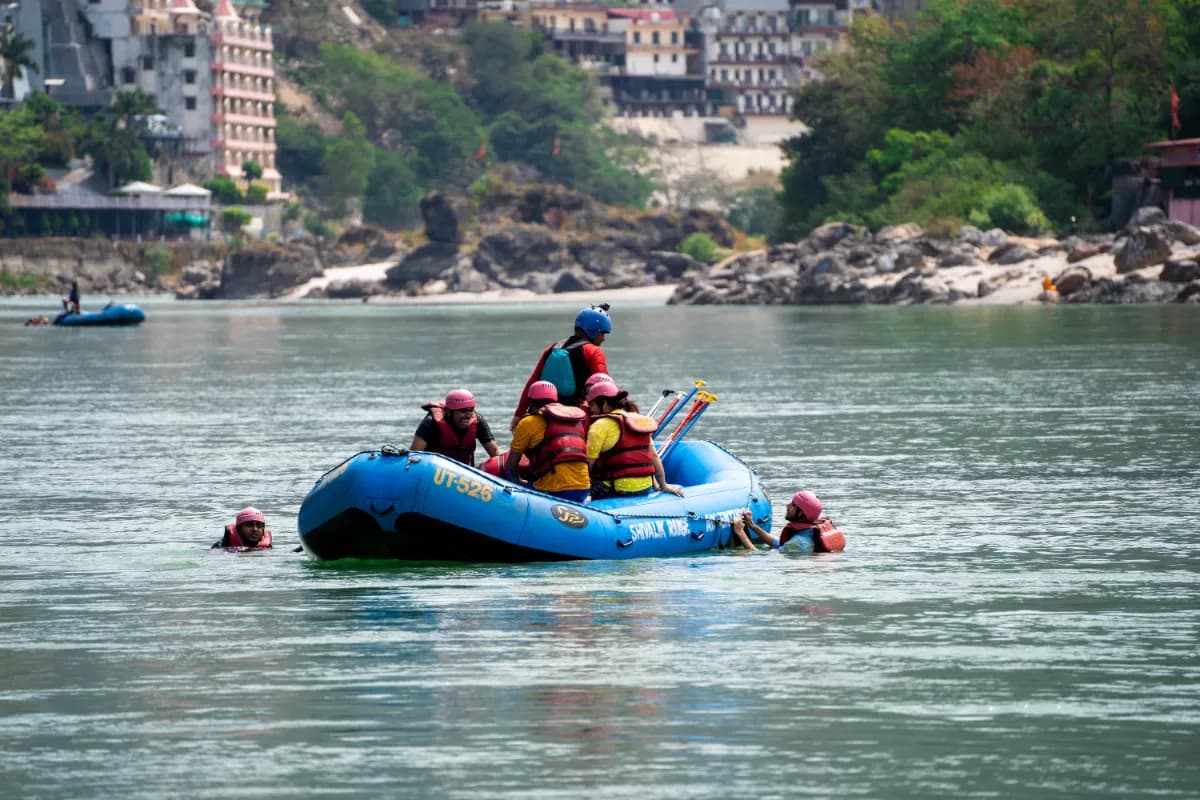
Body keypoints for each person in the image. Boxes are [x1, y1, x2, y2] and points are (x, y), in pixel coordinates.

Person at [512, 305, 612, 430]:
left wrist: (518, 415)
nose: (603, 338)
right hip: (577, 416)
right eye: (602, 333)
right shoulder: (594, 352)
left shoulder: (552, 349)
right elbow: (604, 387)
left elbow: (532, 382)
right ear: (593, 330)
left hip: (546, 416)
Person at [586, 380, 682, 499]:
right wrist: (663, 485)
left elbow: (589, 465)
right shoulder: (639, 421)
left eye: (592, 405)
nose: (591, 410)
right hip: (644, 488)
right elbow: (654, 456)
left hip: (615, 489)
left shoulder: (600, 425)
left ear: (604, 403)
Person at [506, 380, 591, 502]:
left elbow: (511, 465)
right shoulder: (576, 421)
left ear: (532, 403)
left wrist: (518, 483)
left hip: (554, 492)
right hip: (584, 490)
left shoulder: (528, 422)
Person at [730, 491, 845, 553]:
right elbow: (777, 543)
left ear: (801, 513)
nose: (787, 505)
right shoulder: (807, 532)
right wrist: (752, 526)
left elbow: (756, 554)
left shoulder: (799, 542)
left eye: (793, 505)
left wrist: (740, 532)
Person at [410, 388, 500, 467]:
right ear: (449, 412)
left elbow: (495, 452)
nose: (468, 415)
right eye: (463, 411)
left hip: (464, 476)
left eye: (471, 410)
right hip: (434, 472)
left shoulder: (478, 422)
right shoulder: (432, 422)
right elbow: (413, 455)